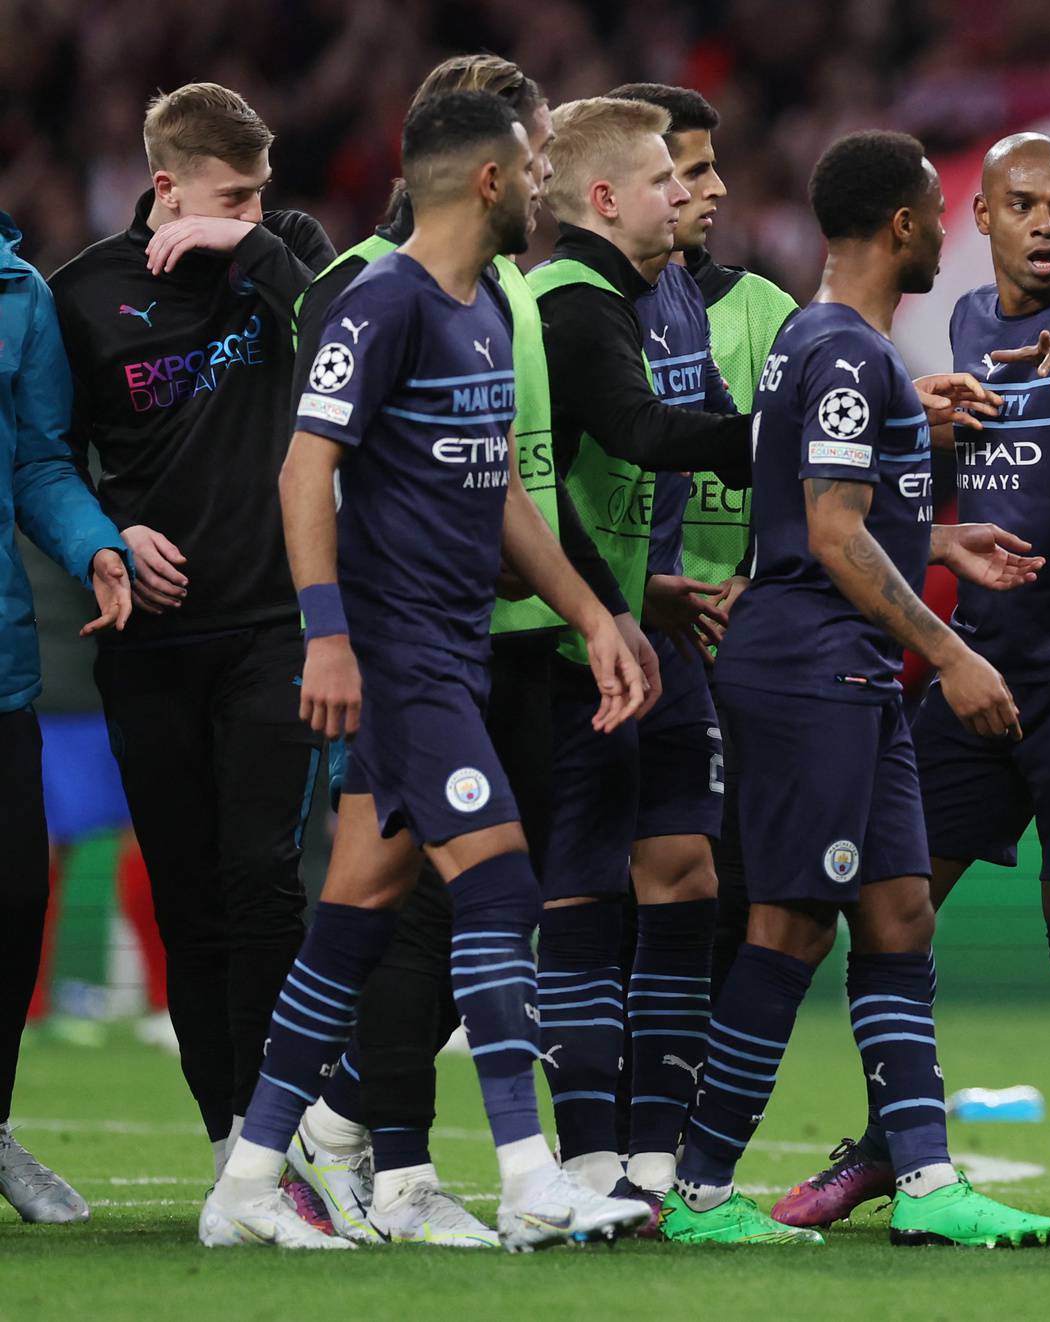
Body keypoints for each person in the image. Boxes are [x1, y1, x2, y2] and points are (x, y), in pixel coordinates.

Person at [198, 90, 652, 1251]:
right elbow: (306, 472)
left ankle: (247, 1179)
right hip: (400, 657)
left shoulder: (488, 308)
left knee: (352, 920)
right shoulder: (382, 300)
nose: (549, 178)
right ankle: (527, 1174)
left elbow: (497, 494)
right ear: (490, 180)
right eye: (539, 160)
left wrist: (593, 615)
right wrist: (328, 633)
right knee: (500, 887)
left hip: (456, 651)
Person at [661, 129, 1050, 1249]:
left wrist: (937, 538)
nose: (947, 232)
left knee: (896, 912)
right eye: (938, 212)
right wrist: (956, 647)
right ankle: (698, 1191)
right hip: (814, 668)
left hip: (847, 666)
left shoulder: (819, 339)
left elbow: (821, 513)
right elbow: (830, 537)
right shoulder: (846, 353)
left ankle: (929, 1181)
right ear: (900, 226)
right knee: (791, 924)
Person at [770, 131, 1050, 1240]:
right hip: (974, 655)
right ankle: (896, 1141)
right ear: (980, 216)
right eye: (1024, 203)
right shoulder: (957, 332)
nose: (1048, 222)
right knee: (892, 905)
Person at [49, 83, 334, 1174]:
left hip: (275, 623)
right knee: (189, 895)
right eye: (233, 194)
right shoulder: (84, 298)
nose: (255, 211)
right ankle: (229, 1135)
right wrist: (110, 530)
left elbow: (349, 343)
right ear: (165, 184)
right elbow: (51, 459)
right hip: (152, 644)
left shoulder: (285, 258)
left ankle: (278, 1131)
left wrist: (245, 243)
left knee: (264, 880)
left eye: (262, 194)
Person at [524, 94, 756, 1204]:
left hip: (641, 633)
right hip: (557, 647)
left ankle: (658, 1159)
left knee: (686, 870)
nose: (693, 194)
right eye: (671, 178)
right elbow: (638, 435)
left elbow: (711, 433)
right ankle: (583, 1158)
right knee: (574, 893)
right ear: (608, 198)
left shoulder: (664, 296)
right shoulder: (563, 304)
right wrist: (819, 420)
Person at [602, 82, 799, 1000]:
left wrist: (758, 580)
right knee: (587, 888)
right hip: (596, 632)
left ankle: (662, 1127)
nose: (715, 187)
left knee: (721, 889)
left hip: (726, 635)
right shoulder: (569, 309)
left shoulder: (763, 310)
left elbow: (804, 475)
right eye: (694, 168)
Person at [0, 208, 132, 1225]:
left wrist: (94, 541)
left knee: (12, 899)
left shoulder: (19, 295)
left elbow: (41, 463)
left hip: (3, 667)